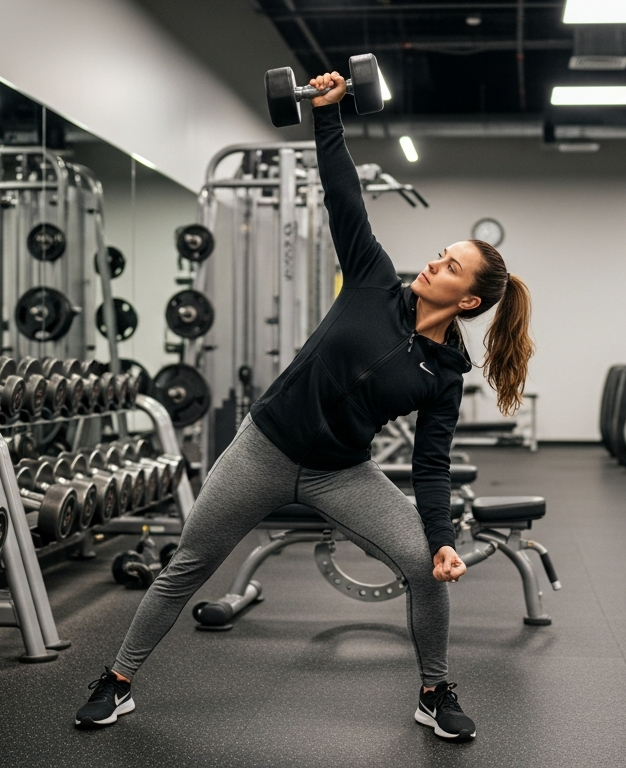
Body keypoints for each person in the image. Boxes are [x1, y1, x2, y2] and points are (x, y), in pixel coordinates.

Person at [74, 71, 534, 742]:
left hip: (342, 472)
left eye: (449, 267)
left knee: (422, 566)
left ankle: (434, 692)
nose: (431, 265)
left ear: (468, 300)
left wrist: (441, 542)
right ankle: (117, 682)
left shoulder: (444, 372)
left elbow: (432, 467)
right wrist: (327, 115)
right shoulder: (375, 280)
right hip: (264, 448)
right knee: (189, 566)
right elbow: (342, 193)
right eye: (439, 254)